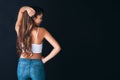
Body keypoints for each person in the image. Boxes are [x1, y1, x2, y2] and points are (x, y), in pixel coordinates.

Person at [15, 6, 61, 80]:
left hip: (22, 65)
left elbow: (21, 11)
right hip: (37, 65)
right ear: (33, 18)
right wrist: (44, 60)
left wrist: (27, 8)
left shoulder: (19, 29)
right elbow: (57, 48)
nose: (41, 20)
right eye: (40, 18)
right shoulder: (42, 31)